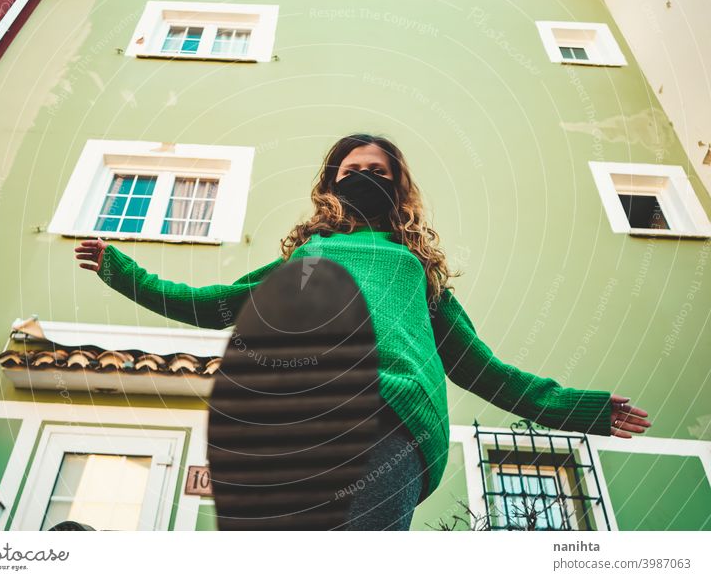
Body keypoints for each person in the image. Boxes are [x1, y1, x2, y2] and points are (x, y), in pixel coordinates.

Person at [76, 133, 652, 530]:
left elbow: (482, 368)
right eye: (352, 171)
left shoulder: (417, 270)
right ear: (333, 184)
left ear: (397, 186)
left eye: (377, 172)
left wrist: (581, 410)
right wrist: (119, 268)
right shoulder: (311, 254)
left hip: (389, 420)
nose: (364, 178)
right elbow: (214, 304)